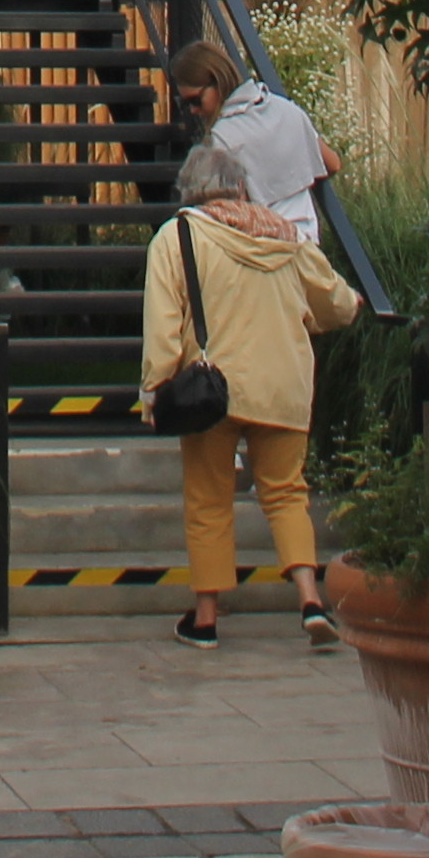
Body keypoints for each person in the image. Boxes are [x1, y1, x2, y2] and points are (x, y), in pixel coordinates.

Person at [142, 141, 361, 652]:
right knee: (286, 493)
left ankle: (206, 618)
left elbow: (163, 325)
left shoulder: (177, 238)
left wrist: (155, 388)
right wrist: (337, 308)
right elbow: (336, 305)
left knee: (209, 498)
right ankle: (310, 600)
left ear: (189, 192)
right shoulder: (285, 237)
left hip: (213, 390)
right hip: (285, 385)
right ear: (240, 187)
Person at [173, 36, 341, 245]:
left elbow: (223, 212)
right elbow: (332, 164)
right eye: (185, 103)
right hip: (307, 245)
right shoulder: (286, 109)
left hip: (263, 250)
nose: (193, 110)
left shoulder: (221, 139)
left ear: (217, 81)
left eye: (195, 100)